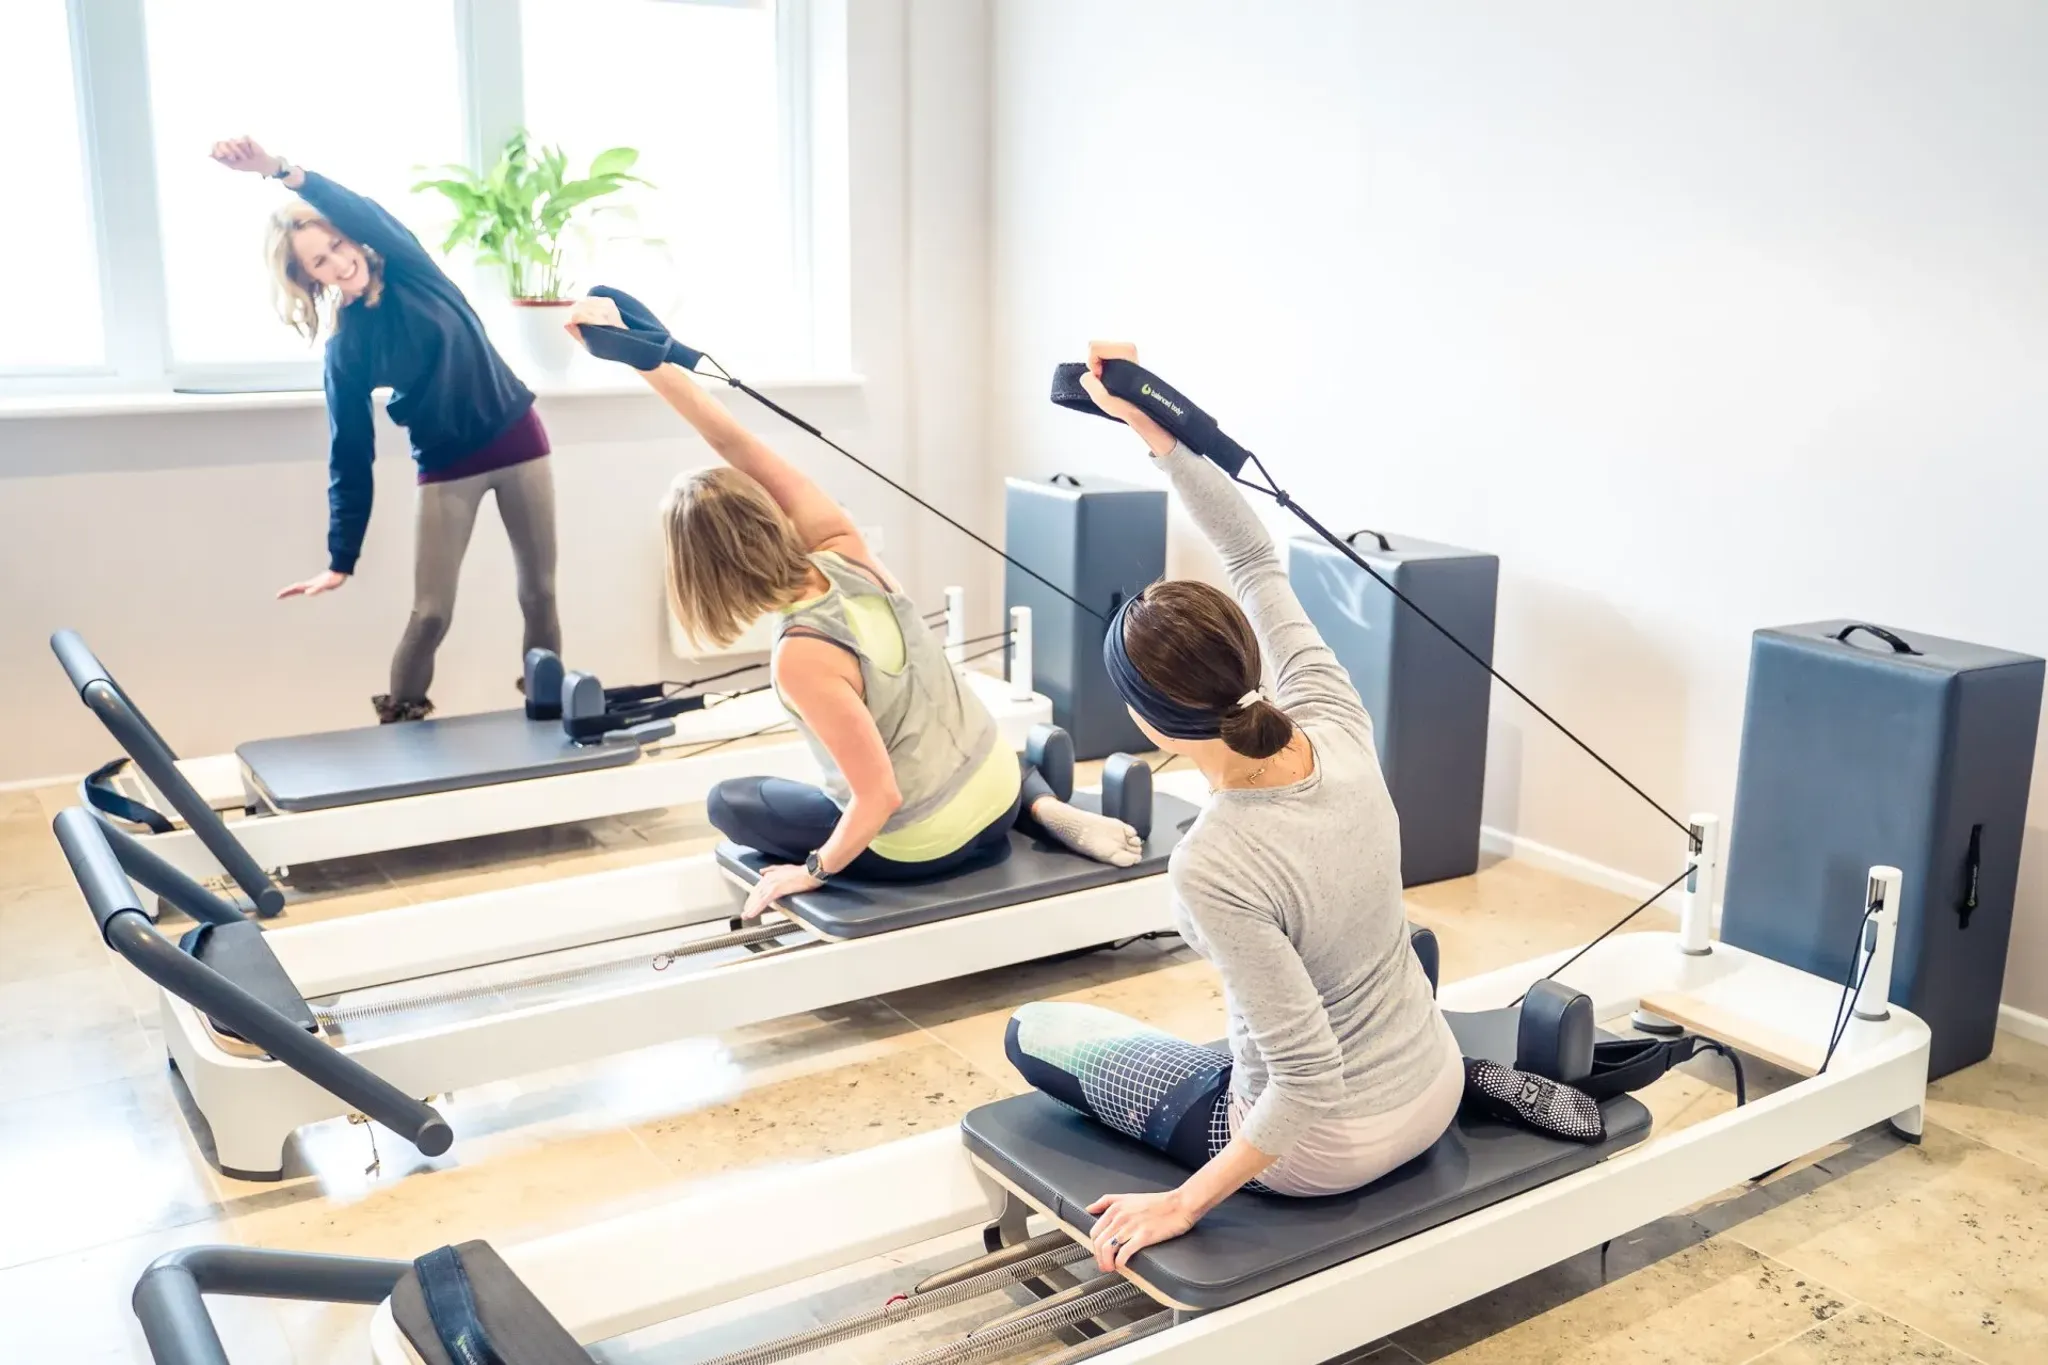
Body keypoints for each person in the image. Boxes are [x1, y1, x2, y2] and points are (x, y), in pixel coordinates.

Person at [1006, 342, 1465, 1275]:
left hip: (1323, 1150)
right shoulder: (1331, 711)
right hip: (1436, 1086)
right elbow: (1252, 553)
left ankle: (1210, 1132)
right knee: (1340, 968)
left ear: (1149, 720)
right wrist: (1154, 432)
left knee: (1035, 1033)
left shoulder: (1214, 861)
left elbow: (1304, 1082)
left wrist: (1183, 1202)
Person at [561, 293, 1144, 919]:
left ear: (703, 575)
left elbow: (880, 798)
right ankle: (1042, 803)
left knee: (731, 803)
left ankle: (1021, 808)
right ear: (763, 513)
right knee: (946, 746)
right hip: (997, 792)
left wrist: (812, 870)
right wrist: (645, 360)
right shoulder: (846, 549)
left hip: (925, 847)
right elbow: (735, 442)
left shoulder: (802, 658)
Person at [211, 137, 561, 723]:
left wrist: (278, 170)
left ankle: (550, 714)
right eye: (320, 262)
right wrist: (339, 558)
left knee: (540, 593)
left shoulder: (410, 268)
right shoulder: (347, 348)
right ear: (309, 278)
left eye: (337, 245)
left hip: (519, 439)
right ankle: (402, 726)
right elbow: (349, 453)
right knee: (430, 614)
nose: (339, 262)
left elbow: (359, 208)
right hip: (449, 467)